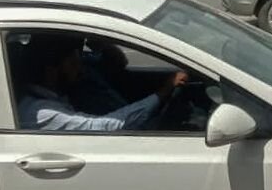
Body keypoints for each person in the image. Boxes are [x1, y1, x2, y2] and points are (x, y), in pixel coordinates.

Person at [16, 34, 188, 132]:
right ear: (51, 71)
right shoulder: (40, 112)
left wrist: (102, 44)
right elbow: (104, 126)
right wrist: (163, 93)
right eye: (73, 63)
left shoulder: (67, 85)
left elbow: (118, 63)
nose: (80, 68)